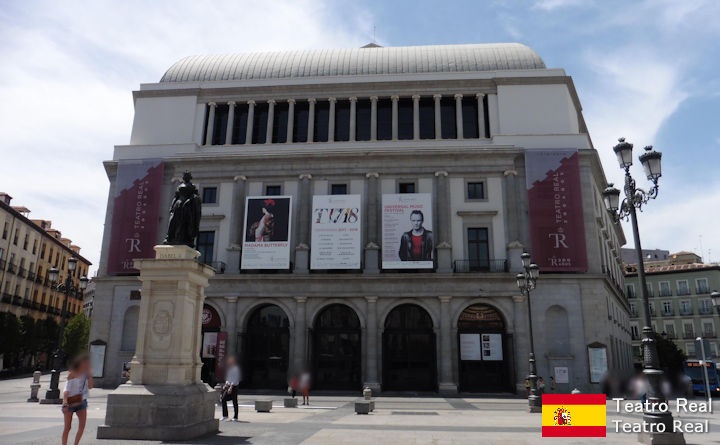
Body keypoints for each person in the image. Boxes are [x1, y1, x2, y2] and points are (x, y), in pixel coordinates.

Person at [62, 354, 93, 445]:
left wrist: (90, 376)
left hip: (82, 401)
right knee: (67, 427)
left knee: (82, 426)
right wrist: (65, 402)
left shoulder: (86, 374)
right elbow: (66, 389)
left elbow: (90, 387)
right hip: (70, 401)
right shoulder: (72, 373)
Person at [221, 356, 241, 421]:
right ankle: (225, 415)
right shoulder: (229, 368)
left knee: (234, 401)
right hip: (229, 386)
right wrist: (226, 384)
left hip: (234, 386)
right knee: (223, 399)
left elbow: (235, 379)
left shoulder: (236, 369)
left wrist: (231, 387)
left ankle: (235, 417)